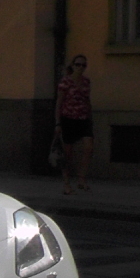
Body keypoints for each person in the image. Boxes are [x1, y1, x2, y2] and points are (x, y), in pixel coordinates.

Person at [55, 54, 93, 194]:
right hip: (68, 118)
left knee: (89, 147)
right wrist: (57, 123)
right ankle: (66, 183)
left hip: (83, 119)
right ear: (73, 65)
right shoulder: (65, 82)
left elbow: (87, 100)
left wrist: (90, 116)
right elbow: (59, 102)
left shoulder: (86, 82)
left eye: (83, 65)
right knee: (68, 153)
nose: (81, 67)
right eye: (78, 64)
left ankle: (81, 179)